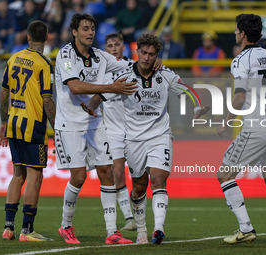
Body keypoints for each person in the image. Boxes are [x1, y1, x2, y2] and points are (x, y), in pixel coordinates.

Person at [81, 33, 211, 245]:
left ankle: (158, 229)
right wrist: (91, 107)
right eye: (143, 53)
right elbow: (103, 93)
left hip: (159, 135)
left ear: (156, 55)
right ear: (137, 51)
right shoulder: (125, 76)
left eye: (151, 54)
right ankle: (141, 229)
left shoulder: (164, 74)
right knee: (139, 187)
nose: (147, 57)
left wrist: (197, 108)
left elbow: (186, 90)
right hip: (133, 140)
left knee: (159, 179)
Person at [54, 13, 161, 245]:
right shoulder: (65, 54)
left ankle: (112, 231)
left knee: (107, 172)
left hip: (94, 122)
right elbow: (74, 87)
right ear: (74, 32)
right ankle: (66, 225)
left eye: (92, 28)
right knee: (79, 176)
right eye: (85, 28)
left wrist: (152, 62)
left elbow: (131, 65)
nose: (90, 32)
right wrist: (110, 87)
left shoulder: (101, 57)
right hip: (69, 124)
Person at [216, 14, 266, 247]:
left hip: (256, 126)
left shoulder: (240, 60)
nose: (234, 32)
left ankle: (245, 229)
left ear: (242, 33)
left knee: (224, 174)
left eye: (235, 29)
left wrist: (227, 121)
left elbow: (240, 97)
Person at [0, 20, 56, 242]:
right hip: (33, 127)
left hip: (13, 122)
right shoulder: (43, 64)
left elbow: (4, 93)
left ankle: (8, 227)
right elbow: (47, 100)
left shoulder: (13, 58)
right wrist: (56, 128)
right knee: (35, 176)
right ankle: (27, 230)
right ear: (47, 37)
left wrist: (4, 122)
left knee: (17, 175)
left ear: (28, 37)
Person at [102, 32, 136, 231]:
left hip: (135, 130)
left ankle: (138, 213)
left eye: (117, 44)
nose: (114, 48)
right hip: (113, 131)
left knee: (140, 175)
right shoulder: (101, 72)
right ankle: (129, 218)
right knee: (117, 173)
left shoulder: (134, 67)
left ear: (123, 47)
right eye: (110, 45)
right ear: (106, 50)